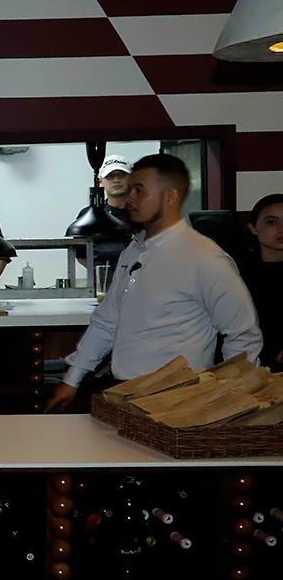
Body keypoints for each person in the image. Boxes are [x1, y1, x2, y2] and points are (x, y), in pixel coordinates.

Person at [47, 154, 262, 411]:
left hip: (179, 396)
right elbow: (107, 321)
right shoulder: (134, 250)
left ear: (170, 197)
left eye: (139, 190)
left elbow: (242, 334)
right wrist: (72, 379)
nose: (129, 198)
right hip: (124, 390)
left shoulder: (205, 257)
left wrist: (233, 399)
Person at [243, 193, 283, 372]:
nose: (281, 229)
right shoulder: (237, 273)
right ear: (253, 228)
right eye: (271, 222)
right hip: (249, 365)